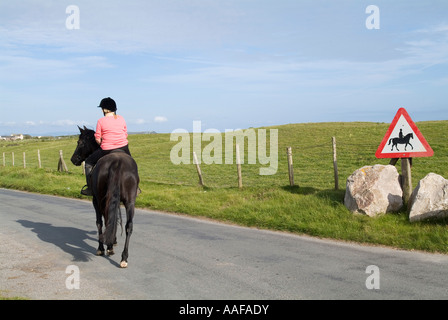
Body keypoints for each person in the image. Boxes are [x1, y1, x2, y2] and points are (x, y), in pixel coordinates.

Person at [81, 97, 131, 196]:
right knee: (131, 164)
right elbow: (125, 134)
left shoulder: (101, 121)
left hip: (107, 149)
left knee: (88, 162)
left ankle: (90, 188)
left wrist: (102, 143)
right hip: (123, 147)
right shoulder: (121, 118)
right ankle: (136, 187)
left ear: (104, 109)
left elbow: (97, 138)